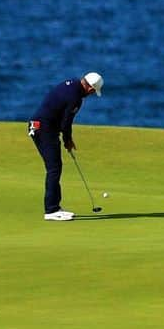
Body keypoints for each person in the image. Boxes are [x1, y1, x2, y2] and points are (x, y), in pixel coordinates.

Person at [27, 72, 103, 221]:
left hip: (41, 126)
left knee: (55, 167)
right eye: (93, 92)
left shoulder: (71, 84)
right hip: (43, 129)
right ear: (90, 89)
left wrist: (64, 138)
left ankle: (55, 206)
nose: (91, 94)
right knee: (54, 168)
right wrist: (68, 140)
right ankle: (51, 210)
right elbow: (66, 123)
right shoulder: (76, 98)